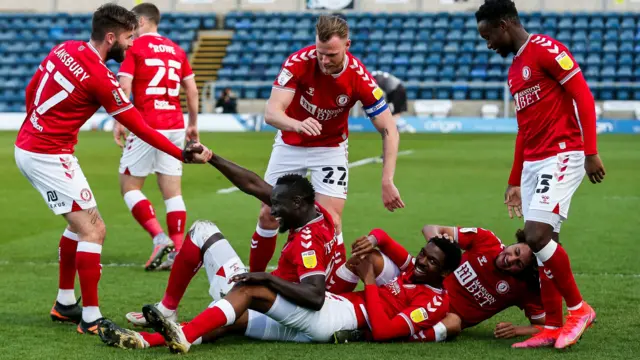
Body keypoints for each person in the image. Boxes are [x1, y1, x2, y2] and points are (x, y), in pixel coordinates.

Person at [13, 4, 211, 335]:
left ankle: (65, 303)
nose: (132, 44)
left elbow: (31, 89)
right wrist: (180, 153)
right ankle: (91, 317)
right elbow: (142, 128)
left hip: (32, 143)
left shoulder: (66, 49)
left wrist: (38, 123)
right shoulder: (101, 77)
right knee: (94, 229)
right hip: (48, 154)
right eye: (129, 37)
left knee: (78, 221)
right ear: (111, 37)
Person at [475, 0, 606, 349]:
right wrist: (515, 178)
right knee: (549, 244)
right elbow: (523, 128)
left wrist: (591, 151)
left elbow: (583, 96)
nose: (488, 44)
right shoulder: (514, 69)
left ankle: (579, 310)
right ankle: (551, 325)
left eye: (489, 35)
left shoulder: (546, 49)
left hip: (562, 154)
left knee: (535, 235)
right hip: (534, 162)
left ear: (505, 24)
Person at [98, 235, 460, 352]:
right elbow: (382, 238)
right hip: (332, 317)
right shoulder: (413, 272)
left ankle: (181, 336)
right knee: (232, 321)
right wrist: (372, 248)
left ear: (445, 272)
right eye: (423, 255)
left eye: (431, 262)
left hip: (341, 317)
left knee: (253, 288)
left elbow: (383, 333)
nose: (421, 263)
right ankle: (145, 341)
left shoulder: (434, 300)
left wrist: (368, 280)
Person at [119, 148, 345, 329]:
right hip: (271, 301)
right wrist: (211, 157)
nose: (273, 212)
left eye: (278, 205)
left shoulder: (308, 241)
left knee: (201, 230)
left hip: (261, 304)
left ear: (297, 202)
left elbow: (316, 296)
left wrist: (265, 279)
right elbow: (252, 184)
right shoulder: (318, 213)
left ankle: (168, 310)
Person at [249, 14, 404, 275]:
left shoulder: (359, 77)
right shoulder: (298, 62)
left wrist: (387, 180)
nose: (324, 60)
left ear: (347, 45)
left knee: (330, 222)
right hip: (290, 144)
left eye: (331, 54)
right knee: (268, 213)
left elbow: (389, 129)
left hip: (330, 149)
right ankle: (254, 281)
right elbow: (272, 113)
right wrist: (296, 124)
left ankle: (331, 291)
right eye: (320, 53)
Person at [331, 226, 545, 344]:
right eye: (515, 251)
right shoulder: (486, 239)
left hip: (437, 312)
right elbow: (431, 228)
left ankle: (366, 334)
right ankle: (328, 296)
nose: (510, 259)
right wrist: (439, 255)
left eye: (519, 264)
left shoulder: (523, 289)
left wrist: (518, 330)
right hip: (420, 281)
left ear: (523, 272)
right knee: (368, 258)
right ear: (515, 242)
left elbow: (549, 324)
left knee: (453, 324)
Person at [112, 3, 199, 271]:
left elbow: (124, 85)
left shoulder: (135, 48)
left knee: (130, 186)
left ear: (140, 21)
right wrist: (193, 124)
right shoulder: (177, 49)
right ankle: (178, 251)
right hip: (174, 124)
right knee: (172, 192)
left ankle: (160, 239)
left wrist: (118, 120)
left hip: (146, 123)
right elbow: (192, 90)